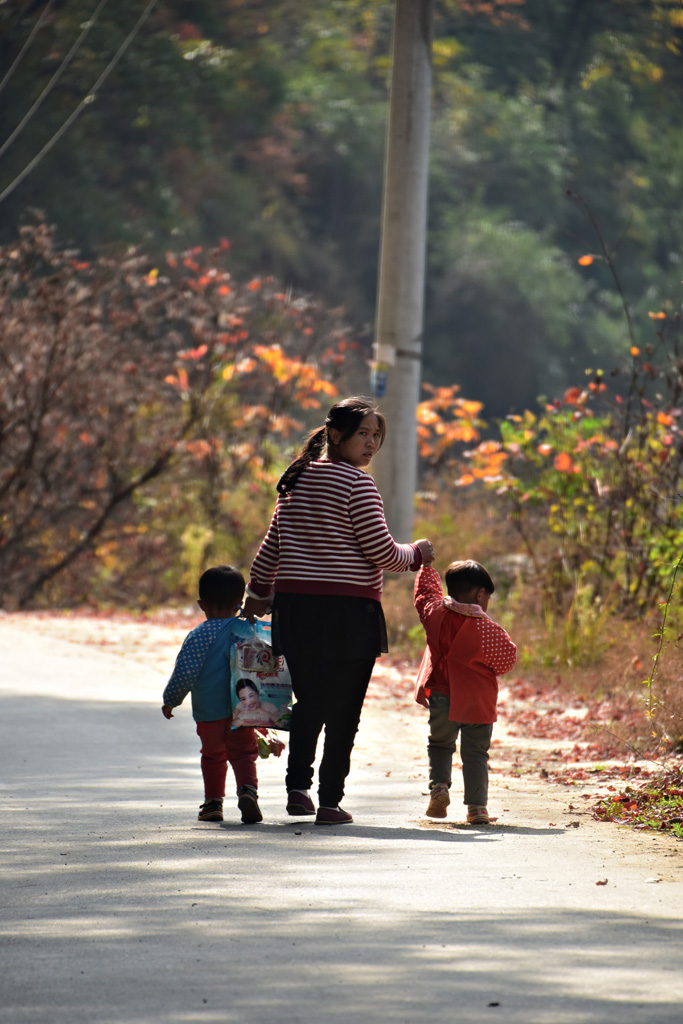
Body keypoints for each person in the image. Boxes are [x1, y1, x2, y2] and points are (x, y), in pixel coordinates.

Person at [243, 395, 434, 825]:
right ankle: (329, 801)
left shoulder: (295, 480)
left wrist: (255, 595)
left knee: (309, 702)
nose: (370, 444)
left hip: (296, 612)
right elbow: (383, 552)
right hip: (348, 614)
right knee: (344, 710)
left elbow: (270, 549)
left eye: (375, 436)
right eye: (363, 433)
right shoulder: (358, 485)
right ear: (335, 434)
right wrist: (418, 553)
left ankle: (297, 789)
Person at [413, 559, 517, 824]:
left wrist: (426, 566)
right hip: (477, 701)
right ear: (481, 594)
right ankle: (477, 808)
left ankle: (439, 787)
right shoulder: (488, 630)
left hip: (441, 696)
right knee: (475, 754)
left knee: (440, 744)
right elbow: (506, 661)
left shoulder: (435, 614)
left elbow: (424, 594)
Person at [161, 565, 263, 825]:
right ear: (239, 603)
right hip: (244, 708)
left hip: (209, 712)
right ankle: (248, 791)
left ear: (201, 604)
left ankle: (213, 804)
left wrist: (171, 699)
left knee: (213, 755)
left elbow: (185, 671)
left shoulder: (198, 636)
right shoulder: (247, 631)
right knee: (243, 753)